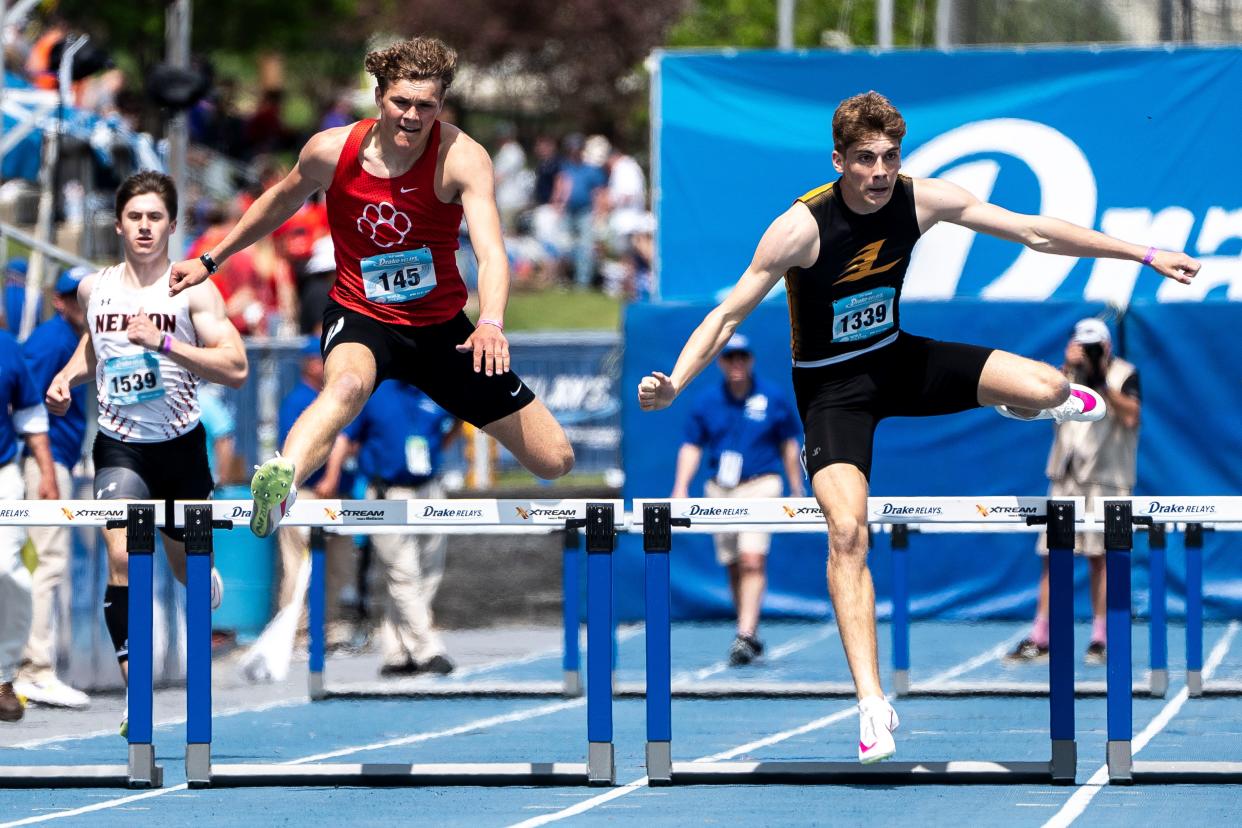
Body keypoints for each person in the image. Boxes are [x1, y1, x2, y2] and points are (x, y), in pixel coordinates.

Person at [636, 91, 1199, 765]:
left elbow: (1033, 231)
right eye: (866, 159)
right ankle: (872, 704)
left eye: (890, 157)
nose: (879, 172)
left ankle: (1032, 403)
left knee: (1053, 385)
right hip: (832, 392)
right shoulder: (800, 228)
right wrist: (675, 380)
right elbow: (727, 316)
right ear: (839, 160)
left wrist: (1142, 253)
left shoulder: (921, 197)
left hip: (897, 360)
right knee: (847, 531)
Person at [167, 36, 574, 540]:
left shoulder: (462, 157)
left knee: (555, 460)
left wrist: (491, 321)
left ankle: (289, 473)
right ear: (379, 96)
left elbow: (491, 252)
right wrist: (212, 258)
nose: (411, 116)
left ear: (440, 106)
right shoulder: (331, 150)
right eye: (401, 102)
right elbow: (279, 201)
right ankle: (281, 479)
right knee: (347, 386)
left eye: (425, 106)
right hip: (364, 316)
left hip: (442, 331)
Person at [46, 171, 249, 734]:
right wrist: (67, 378)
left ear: (171, 225)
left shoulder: (194, 291)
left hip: (181, 446)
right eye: (134, 217)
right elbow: (97, 344)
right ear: (118, 223)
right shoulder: (95, 289)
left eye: (154, 217)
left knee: (187, 569)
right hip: (120, 447)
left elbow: (236, 369)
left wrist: (164, 342)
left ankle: (201, 576)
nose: (143, 226)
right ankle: (138, 693)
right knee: (122, 555)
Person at [1006, 318, 1141, 666]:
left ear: (1108, 346)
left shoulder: (1124, 374)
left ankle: (1102, 637)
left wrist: (1102, 383)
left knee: (1103, 559)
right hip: (1066, 476)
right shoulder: (1064, 377)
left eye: (1094, 346)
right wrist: (1067, 368)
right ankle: (1041, 637)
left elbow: (1131, 418)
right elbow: (1033, 404)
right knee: (1054, 558)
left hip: (1106, 479)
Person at [671, 333, 804, 666]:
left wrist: (795, 485)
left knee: (751, 559)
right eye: (730, 357)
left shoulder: (771, 397)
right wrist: (680, 487)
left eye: (742, 357)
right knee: (732, 562)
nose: (737, 363)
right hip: (721, 488)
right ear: (720, 362)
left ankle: (745, 633)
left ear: (751, 360)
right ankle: (748, 630)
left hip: (761, 485)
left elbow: (789, 442)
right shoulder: (706, 402)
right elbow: (691, 445)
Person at [340, 380, 461, 676]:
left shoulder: (435, 388)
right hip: (388, 492)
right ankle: (428, 649)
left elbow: (458, 419)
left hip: (429, 488)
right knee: (404, 572)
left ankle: (397, 650)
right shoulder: (375, 392)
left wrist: (438, 451)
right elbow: (347, 438)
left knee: (430, 571)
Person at [14, 267, 92, 710]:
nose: (80, 304)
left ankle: (31, 667)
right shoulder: (50, 342)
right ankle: (35, 669)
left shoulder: (70, 338)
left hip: (53, 461)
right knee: (47, 564)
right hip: (45, 464)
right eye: (71, 296)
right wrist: (44, 468)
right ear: (58, 301)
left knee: (41, 565)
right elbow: (21, 404)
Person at [275, 337, 357, 651]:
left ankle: (328, 628)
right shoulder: (299, 400)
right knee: (299, 567)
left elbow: (352, 439)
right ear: (307, 364)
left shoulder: (345, 395)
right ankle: (296, 631)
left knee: (338, 567)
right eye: (319, 359)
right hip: (307, 494)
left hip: (340, 496)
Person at [0, 320, 59, 722]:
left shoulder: (7, 347)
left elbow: (30, 414)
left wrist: (47, 471)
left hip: (3, 472)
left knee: (8, 569)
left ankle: (3, 676)